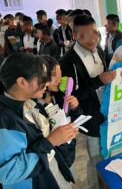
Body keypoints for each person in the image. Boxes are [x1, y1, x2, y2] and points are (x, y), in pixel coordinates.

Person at [0, 52, 78, 189]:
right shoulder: (5, 121)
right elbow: (8, 173)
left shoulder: (31, 103)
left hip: (51, 174)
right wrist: (50, 141)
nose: (47, 82)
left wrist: (62, 133)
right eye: (42, 78)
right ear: (21, 82)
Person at [60, 14, 116, 189]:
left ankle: (110, 181)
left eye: (94, 33)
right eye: (85, 36)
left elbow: (105, 76)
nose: (92, 39)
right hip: (90, 116)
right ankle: (96, 185)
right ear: (75, 35)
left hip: (107, 109)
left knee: (108, 149)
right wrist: (98, 80)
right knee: (95, 157)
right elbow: (69, 96)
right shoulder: (67, 62)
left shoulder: (98, 49)